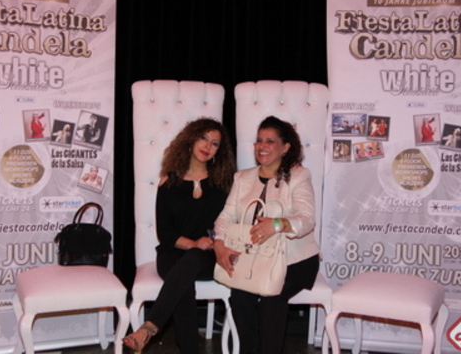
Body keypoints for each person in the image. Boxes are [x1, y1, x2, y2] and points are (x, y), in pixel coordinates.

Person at [123, 117, 236, 354]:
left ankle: (149, 328)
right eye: (204, 138)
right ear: (191, 139)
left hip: (208, 255)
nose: (208, 145)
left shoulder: (222, 183)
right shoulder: (169, 182)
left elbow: (229, 222)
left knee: (191, 262)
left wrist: (211, 241)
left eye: (215, 143)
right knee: (183, 282)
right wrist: (192, 243)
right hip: (173, 253)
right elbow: (165, 232)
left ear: (219, 151)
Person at [213, 116, 320, 354]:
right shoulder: (242, 178)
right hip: (254, 257)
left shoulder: (299, 175)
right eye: (259, 140)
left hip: (294, 259)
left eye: (270, 141)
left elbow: (307, 219)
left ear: (286, 147)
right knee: (240, 296)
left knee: (272, 297)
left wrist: (277, 224)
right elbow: (225, 216)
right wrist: (218, 243)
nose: (262, 146)